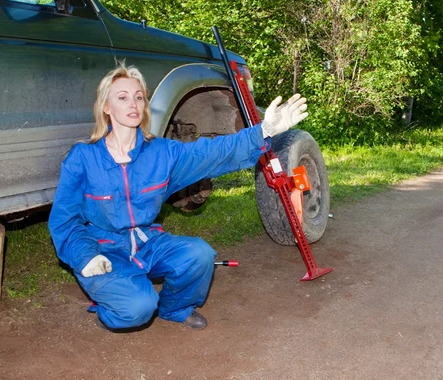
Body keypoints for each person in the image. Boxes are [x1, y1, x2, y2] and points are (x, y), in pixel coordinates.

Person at [48, 64, 308, 332]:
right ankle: (111, 305)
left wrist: (263, 131)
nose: (133, 104)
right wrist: (84, 256)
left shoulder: (162, 153)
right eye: (122, 97)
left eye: (139, 97)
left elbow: (213, 152)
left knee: (199, 254)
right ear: (105, 106)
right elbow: (64, 221)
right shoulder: (83, 158)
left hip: (147, 241)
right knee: (137, 308)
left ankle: (175, 309)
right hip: (103, 248)